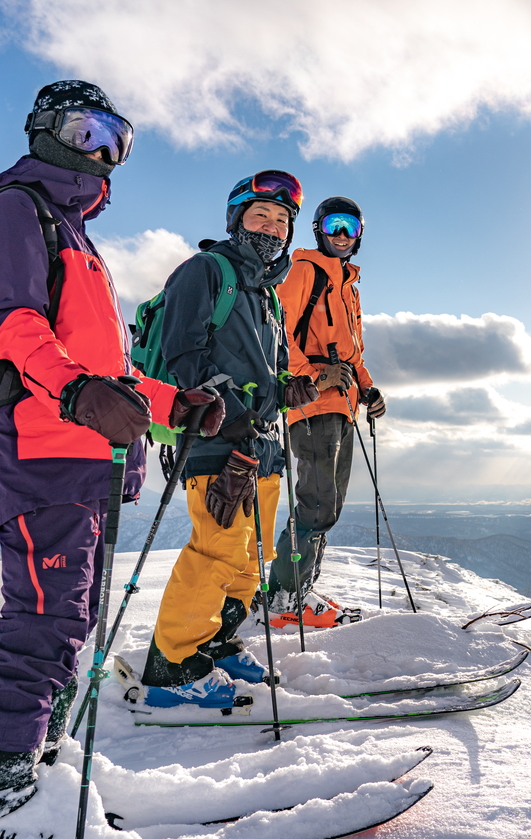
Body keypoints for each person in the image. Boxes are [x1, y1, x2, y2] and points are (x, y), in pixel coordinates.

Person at [0, 80, 225, 838]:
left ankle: (24, 783)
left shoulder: (76, 237)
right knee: (41, 626)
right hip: (39, 452)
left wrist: (170, 403)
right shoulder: (17, 209)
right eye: (88, 133)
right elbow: (10, 327)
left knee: (68, 622)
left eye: (116, 139)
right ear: (46, 131)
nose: (103, 154)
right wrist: (80, 392)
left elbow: (103, 368)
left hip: (86, 459)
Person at [140, 171, 317, 707]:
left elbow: (267, 372)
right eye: (260, 216)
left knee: (249, 557)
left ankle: (215, 641)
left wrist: (291, 389)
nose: (272, 227)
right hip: (215, 437)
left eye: (282, 221)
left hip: (260, 445)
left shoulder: (267, 293)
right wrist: (231, 410)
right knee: (215, 552)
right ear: (236, 220)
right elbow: (183, 354)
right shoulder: (205, 271)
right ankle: (171, 665)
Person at [266, 197, 386, 628]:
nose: (341, 234)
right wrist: (312, 376)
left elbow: (353, 354)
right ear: (318, 229)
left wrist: (368, 389)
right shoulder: (306, 271)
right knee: (316, 504)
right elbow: (276, 329)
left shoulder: (348, 287)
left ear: (358, 234)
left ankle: (300, 589)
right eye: (333, 225)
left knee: (328, 504)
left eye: (350, 226)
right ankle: (283, 598)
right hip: (312, 403)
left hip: (343, 404)